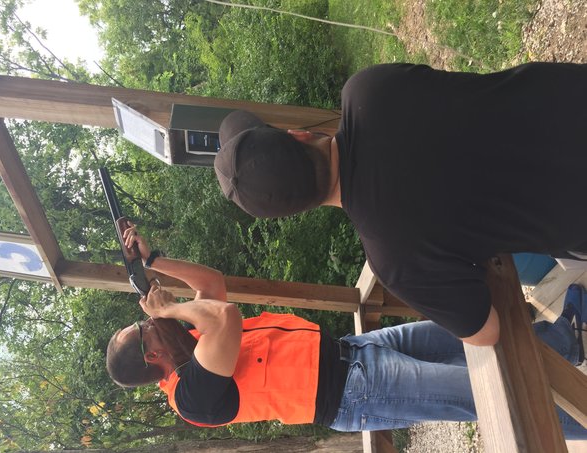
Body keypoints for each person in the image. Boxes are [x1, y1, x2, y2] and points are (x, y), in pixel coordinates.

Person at [213, 62, 587, 346]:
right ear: (298, 134)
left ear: (300, 208)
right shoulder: (369, 88)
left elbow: (485, 332)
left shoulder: (394, 257)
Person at [106, 226, 587, 438]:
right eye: (144, 328)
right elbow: (224, 317)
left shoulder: (189, 342)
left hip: (352, 351)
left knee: (464, 337)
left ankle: (565, 340)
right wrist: (171, 307)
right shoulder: (190, 395)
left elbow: (212, 286)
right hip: (355, 393)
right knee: (480, 391)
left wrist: (154, 261)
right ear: (151, 358)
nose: (152, 320)